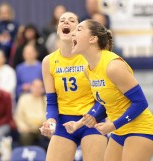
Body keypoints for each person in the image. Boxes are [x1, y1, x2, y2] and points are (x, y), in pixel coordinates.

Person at [71, 19, 153, 161]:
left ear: (92, 39)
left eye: (79, 29)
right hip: (119, 130)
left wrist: (113, 125)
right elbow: (106, 101)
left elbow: (140, 103)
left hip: (140, 128)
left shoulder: (113, 66)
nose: (73, 33)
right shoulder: (87, 70)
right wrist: (94, 116)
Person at [40, 12, 107, 161]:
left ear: (78, 31)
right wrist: (51, 121)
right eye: (62, 20)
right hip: (64, 123)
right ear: (58, 30)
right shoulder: (48, 62)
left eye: (71, 21)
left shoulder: (90, 57)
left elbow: (102, 98)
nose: (66, 22)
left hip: (91, 119)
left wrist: (88, 119)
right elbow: (51, 101)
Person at [15, 79, 47, 147]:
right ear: (31, 87)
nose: (37, 89)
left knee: (51, 135)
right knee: (25, 136)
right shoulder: (23, 98)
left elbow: (48, 116)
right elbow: (18, 117)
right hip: (28, 129)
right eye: (35, 87)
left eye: (39, 87)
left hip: (42, 128)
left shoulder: (45, 100)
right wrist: (23, 127)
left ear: (42, 89)